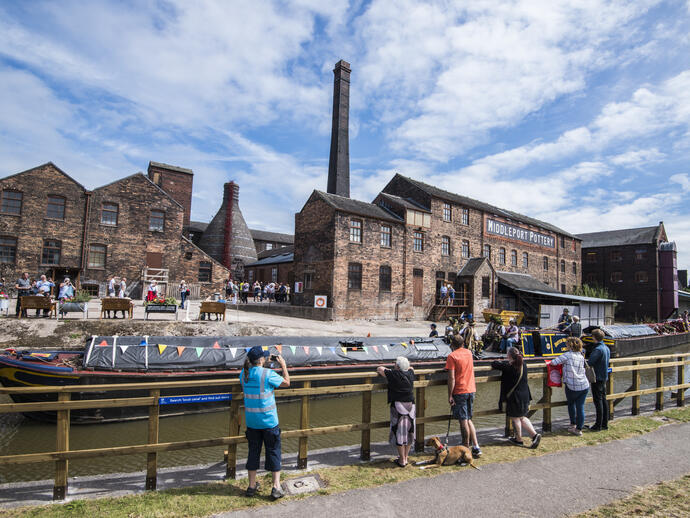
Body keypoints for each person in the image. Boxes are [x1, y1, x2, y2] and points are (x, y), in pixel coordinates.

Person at [240, 346, 290, 500]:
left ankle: (251, 486)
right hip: (269, 422)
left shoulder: (243, 374)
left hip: (252, 422)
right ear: (262, 360)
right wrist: (283, 366)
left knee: (253, 452)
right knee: (273, 451)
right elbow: (287, 383)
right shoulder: (268, 374)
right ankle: (276, 487)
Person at [492, 347, 541, 448]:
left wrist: (501, 361)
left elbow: (495, 364)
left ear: (509, 356)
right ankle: (534, 435)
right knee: (522, 417)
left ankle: (518, 439)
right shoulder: (523, 364)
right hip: (525, 395)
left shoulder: (509, 367)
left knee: (515, 418)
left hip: (514, 397)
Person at [446, 335, 482, 458]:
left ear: (452, 344)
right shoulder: (469, 353)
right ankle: (476, 446)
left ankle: (465, 447)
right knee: (468, 419)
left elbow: (451, 377)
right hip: (471, 388)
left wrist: (450, 395)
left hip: (460, 390)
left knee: (463, 421)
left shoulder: (452, 356)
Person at [376, 357, 416, 467]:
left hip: (399, 405)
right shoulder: (410, 373)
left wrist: (392, 369)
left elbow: (380, 369)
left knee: (399, 431)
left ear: (397, 366)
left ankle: (402, 460)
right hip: (410, 405)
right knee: (409, 431)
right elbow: (411, 368)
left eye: (395, 364)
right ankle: (406, 457)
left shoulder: (393, 374)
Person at [549, 337, 590, 435]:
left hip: (572, 385)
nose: (566, 346)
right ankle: (579, 429)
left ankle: (573, 424)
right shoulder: (581, 356)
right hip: (584, 384)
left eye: (567, 344)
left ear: (570, 345)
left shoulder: (567, 355)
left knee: (571, 405)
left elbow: (553, 362)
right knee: (580, 407)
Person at [587, 329, 610, 431]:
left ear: (594, 337)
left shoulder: (598, 349)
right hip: (604, 376)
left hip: (597, 378)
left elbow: (590, 362)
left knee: (598, 401)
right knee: (604, 400)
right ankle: (605, 423)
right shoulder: (606, 348)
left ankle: (598, 425)